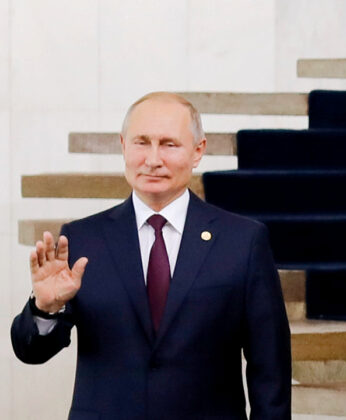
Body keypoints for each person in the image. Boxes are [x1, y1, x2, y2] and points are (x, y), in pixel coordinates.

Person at [11, 92, 291, 420]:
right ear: (123, 146)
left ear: (198, 151)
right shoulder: (82, 240)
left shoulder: (243, 241)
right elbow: (31, 352)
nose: (153, 159)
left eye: (169, 144)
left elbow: (269, 368)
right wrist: (45, 308)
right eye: (142, 142)